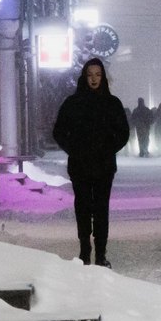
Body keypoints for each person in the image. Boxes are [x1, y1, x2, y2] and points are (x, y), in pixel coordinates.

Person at [52, 58, 131, 266]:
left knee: (101, 209)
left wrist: (108, 148)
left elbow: (123, 133)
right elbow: (59, 131)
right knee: (83, 208)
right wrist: (74, 149)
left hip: (104, 166)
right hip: (80, 166)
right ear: (84, 77)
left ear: (103, 77)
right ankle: (85, 251)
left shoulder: (112, 104)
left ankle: (101, 254)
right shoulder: (73, 103)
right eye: (90, 75)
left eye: (97, 74)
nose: (94, 79)